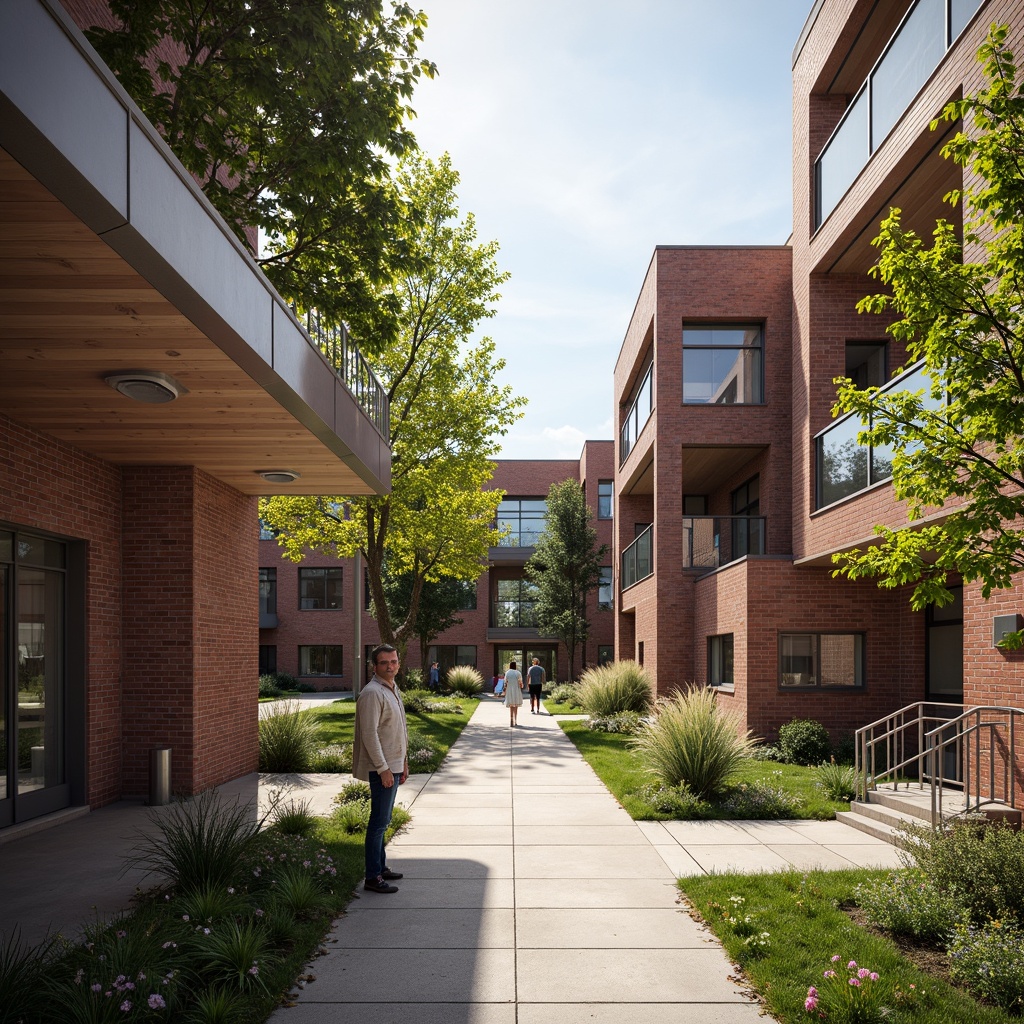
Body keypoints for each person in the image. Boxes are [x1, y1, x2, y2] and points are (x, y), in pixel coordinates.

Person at [352, 644, 409, 893]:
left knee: (384, 822)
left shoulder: (392, 688)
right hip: (382, 767)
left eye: (394, 661)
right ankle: (372, 877)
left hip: (394, 764)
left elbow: (400, 728)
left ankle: (381, 866)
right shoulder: (372, 693)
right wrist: (384, 768)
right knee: (378, 823)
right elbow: (369, 735)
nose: (390, 666)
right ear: (374, 666)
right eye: (385, 662)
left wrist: (403, 762)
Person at [502, 660, 524, 726]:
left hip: (509, 690)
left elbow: (505, 683)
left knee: (511, 705)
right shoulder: (518, 673)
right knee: (516, 705)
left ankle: (511, 718)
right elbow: (520, 683)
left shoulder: (507, 673)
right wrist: (522, 686)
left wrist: (504, 690)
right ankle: (515, 720)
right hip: (516, 690)